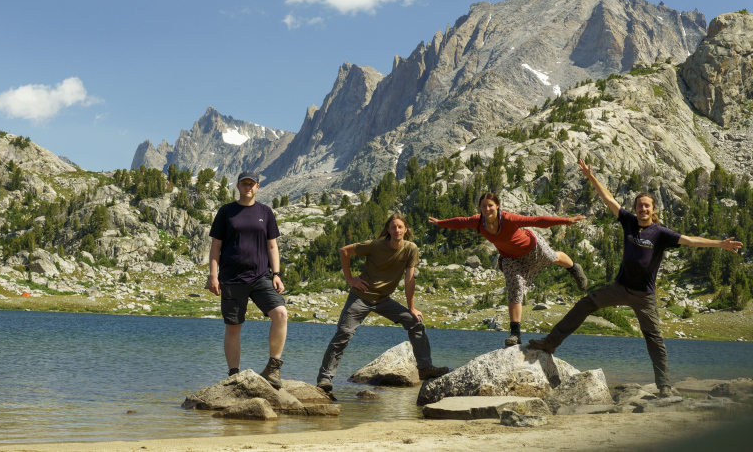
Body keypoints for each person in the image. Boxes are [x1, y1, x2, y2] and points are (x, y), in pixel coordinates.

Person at [529, 159, 743, 398]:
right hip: (620, 288)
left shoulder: (660, 233)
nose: (643, 209)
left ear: (653, 210)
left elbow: (690, 240)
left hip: (644, 296)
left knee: (654, 338)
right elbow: (609, 199)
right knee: (585, 304)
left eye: (647, 206)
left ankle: (664, 386)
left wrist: (720, 244)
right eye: (640, 206)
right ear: (636, 208)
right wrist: (591, 177)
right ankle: (550, 343)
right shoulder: (629, 222)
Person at [428, 192, 587, 347]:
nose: (487, 209)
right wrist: (441, 223)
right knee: (514, 289)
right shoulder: (478, 221)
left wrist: (566, 220)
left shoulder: (508, 218)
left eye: (490, 205)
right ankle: (515, 334)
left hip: (531, 246)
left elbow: (537, 220)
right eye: (483, 206)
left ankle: (574, 268)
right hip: (510, 257)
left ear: (497, 206)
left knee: (553, 257)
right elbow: (459, 222)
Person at [316, 213, 449, 392]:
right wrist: (350, 279)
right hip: (360, 297)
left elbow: (410, 280)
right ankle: (324, 379)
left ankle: (425, 368)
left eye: (400, 227)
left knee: (416, 322)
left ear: (406, 229)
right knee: (344, 334)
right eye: (393, 227)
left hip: (383, 300)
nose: (397, 230)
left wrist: (411, 308)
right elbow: (344, 251)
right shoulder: (375, 245)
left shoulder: (411, 249)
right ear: (388, 229)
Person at [207, 171, 288, 389]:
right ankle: (234, 374)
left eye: (252, 184)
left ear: (258, 187)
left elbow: (272, 245)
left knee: (280, 313)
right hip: (232, 278)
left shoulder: (265, 212)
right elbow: (216, 246)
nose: (248, 187)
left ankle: (273, 367)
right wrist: (213, 275)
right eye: (244, 184)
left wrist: (277, 274)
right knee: (234, 327)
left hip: (261, 276)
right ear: (238, 186)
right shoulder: (226, 211)